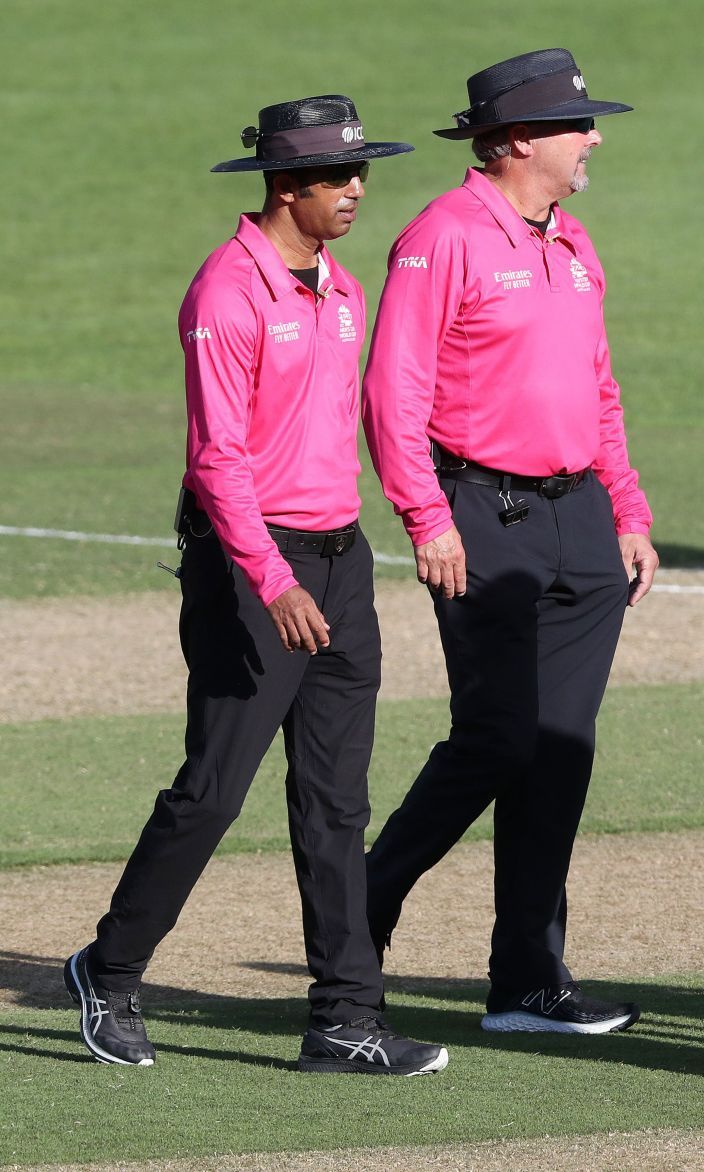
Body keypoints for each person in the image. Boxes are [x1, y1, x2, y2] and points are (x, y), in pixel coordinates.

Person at [64, 96, 448, 1075]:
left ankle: (345, 1018)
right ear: (288, 187)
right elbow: (217, 459)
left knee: (337, 802)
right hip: (250, 571)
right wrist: (271, 579)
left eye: (362, 173)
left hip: (339, 564)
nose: (358, 191)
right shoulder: (226, 294)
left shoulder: (346, 290)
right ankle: (107, 971)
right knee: (212, 792)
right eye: (341, 178)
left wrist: (405, 522)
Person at [361, 48, 657, 1035]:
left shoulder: (574, 242)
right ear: (519, 140)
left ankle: (527, 977)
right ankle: (358, 915)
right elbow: (392, 389)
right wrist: (425, 513)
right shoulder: (440, 237)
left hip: (581, 520)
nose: (594, 139)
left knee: (560, 749)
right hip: (481, 513)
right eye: (578, 125)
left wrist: (629, 508)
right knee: (497, 735)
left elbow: (600, 389)